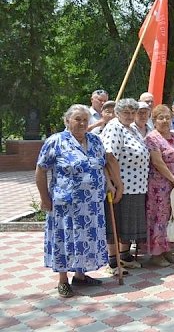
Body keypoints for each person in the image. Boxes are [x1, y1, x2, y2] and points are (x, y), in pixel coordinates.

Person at [36, 104, 114, 298]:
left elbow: (102, 166)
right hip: (66, 204)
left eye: (84, 120)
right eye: (77, 119)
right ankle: (63, 280)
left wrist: (110, 183)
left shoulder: (95, 141)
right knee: (65, 239)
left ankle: (80, 275)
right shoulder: (56, 141)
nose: (81, 123)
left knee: (85, 240)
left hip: (92, 205)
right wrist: (44, 197)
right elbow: (40, 169)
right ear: (67, 121)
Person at [101, 99, 150, 274]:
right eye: (126, 112)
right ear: (117, 113)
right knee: (117, 223)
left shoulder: (131, 128)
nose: (130, 116)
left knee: (127, 225)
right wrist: (118, 185)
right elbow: (109, 156)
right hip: (122, 186)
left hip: (136, 186)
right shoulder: (115, 127)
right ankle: (113, 262)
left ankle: (124, 255)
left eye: (132, 112)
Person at [145, 105, 174, 267]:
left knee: (172, 216)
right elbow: (158, 162)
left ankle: (167, 248)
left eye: (167, 117)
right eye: (160, 118)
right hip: (159, 185)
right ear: (154, 121)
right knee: (159, 217)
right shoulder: (152, 138)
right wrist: (173, 179)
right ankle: (156, 253)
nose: (164, 121)